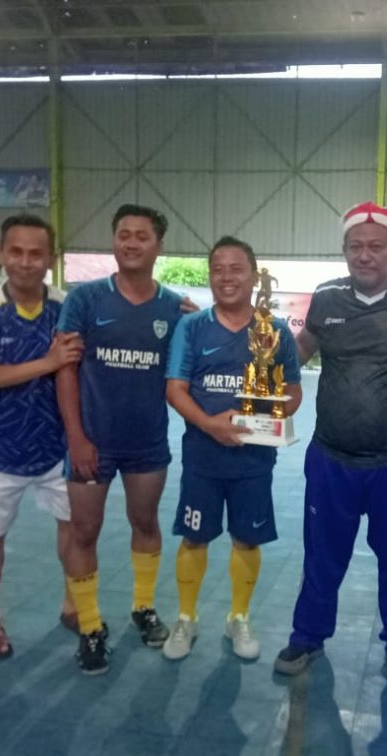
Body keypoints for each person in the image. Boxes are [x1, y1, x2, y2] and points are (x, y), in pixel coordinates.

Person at [273, 201, 387, 684]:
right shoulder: (326, 297)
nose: (365, 255)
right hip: (332, 457)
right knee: (321, 554)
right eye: (355, 246)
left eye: (375, 246)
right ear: (344, 250)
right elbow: (301, 351)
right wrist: (264, 361)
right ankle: (308, 635)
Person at [56, 204, 184, 675]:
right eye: (123, 234)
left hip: (147, 443)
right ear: (113, 241)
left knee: (145, 522)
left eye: (142, 236)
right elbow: (64, 370)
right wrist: (76, 437)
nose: (131, 243)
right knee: (83, 531)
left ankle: (143, 608)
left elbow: (187, 372)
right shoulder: (85, 299)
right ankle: (90, 627)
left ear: (159, 246)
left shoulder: (174, 309)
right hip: (93, 442)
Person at [162, 236, 302, 661]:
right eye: (218, 269)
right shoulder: (192, 327)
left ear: (254, 276)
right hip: (202, 458)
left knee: (247, 539)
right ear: (210, 276)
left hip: (254, 460)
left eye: (236, 268)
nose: (226, 277)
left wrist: (263, 418)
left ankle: (238, 617)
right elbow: (175, 389)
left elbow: (294, 391)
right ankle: (186, 618)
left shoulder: (275, 331)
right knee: (194, 537)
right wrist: (209, 425)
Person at [0, 214, 83, 659]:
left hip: (56, 448)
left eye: (36, 253)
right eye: (16, 252)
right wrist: (47, 363)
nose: (26, 262)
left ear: (50, 258)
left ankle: (73, 605)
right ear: (1, 254)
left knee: (73, 527)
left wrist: (178, 311)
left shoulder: (66, 306)